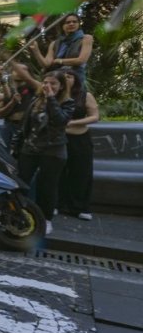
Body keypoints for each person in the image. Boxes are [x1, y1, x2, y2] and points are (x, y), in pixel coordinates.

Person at [17, 70, 75, 235]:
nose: (48, 86)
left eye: (53, 83)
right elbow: (26, 126)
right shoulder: (36, 101)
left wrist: (51, 98)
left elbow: (59, 121)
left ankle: (45, 219)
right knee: (22, 183)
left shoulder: (67, 102)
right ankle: (22, 215)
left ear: (61, 86)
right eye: (45, 83)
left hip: (53, 151)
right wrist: (19, 145)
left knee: (47, 186)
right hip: (31, 148)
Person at [58, 67, 100, 221]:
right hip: (59, 140)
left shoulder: (85, 95)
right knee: (58, 173)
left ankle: (80, 207)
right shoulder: (55, 95)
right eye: (63, 76)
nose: (66, 78)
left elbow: (95, 116)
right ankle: (57, 204)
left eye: (70, 76)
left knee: (81, 173)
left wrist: (73, 123)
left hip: (80, 139)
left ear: (76, 79)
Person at [30, 13, 93, 86]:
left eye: (74, 22)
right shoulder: (54, 44)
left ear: (79, 24)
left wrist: (59, 61)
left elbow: (81, 60)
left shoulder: (86, 38)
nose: (71, 24)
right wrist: (36, 50)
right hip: (57, 78)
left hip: (75, 77)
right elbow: (46, 64)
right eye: (67, 22)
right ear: (62, 26)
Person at [0, 62, 41, 150]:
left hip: (24, 128)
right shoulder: (9, 89)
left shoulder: (32, 87)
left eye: (23, 70)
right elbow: (0, 113)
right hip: (8, 126)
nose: (19, 72)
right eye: (16, 70)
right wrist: (12, 102)